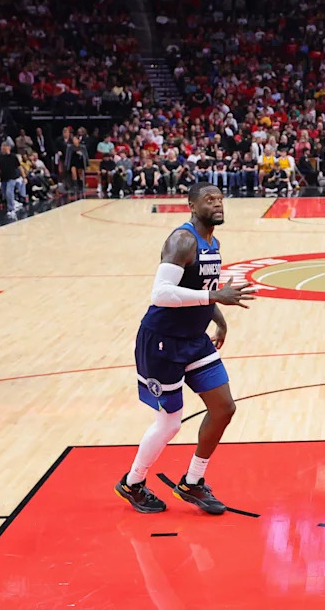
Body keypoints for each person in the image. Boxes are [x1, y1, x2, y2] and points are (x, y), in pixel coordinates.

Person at [115, 183, 255, 514]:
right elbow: (161, 294)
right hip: (162, 341)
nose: (218, 204)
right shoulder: (183, 240)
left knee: (224, 408)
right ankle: (132, 483)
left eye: (220, 199)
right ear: (191, 204)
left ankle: (192, 482)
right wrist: (214, 298)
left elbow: (200, 288)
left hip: (194, 339)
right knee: (170, 422)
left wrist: (217, 318)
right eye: (209, 200)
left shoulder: (213, 241)